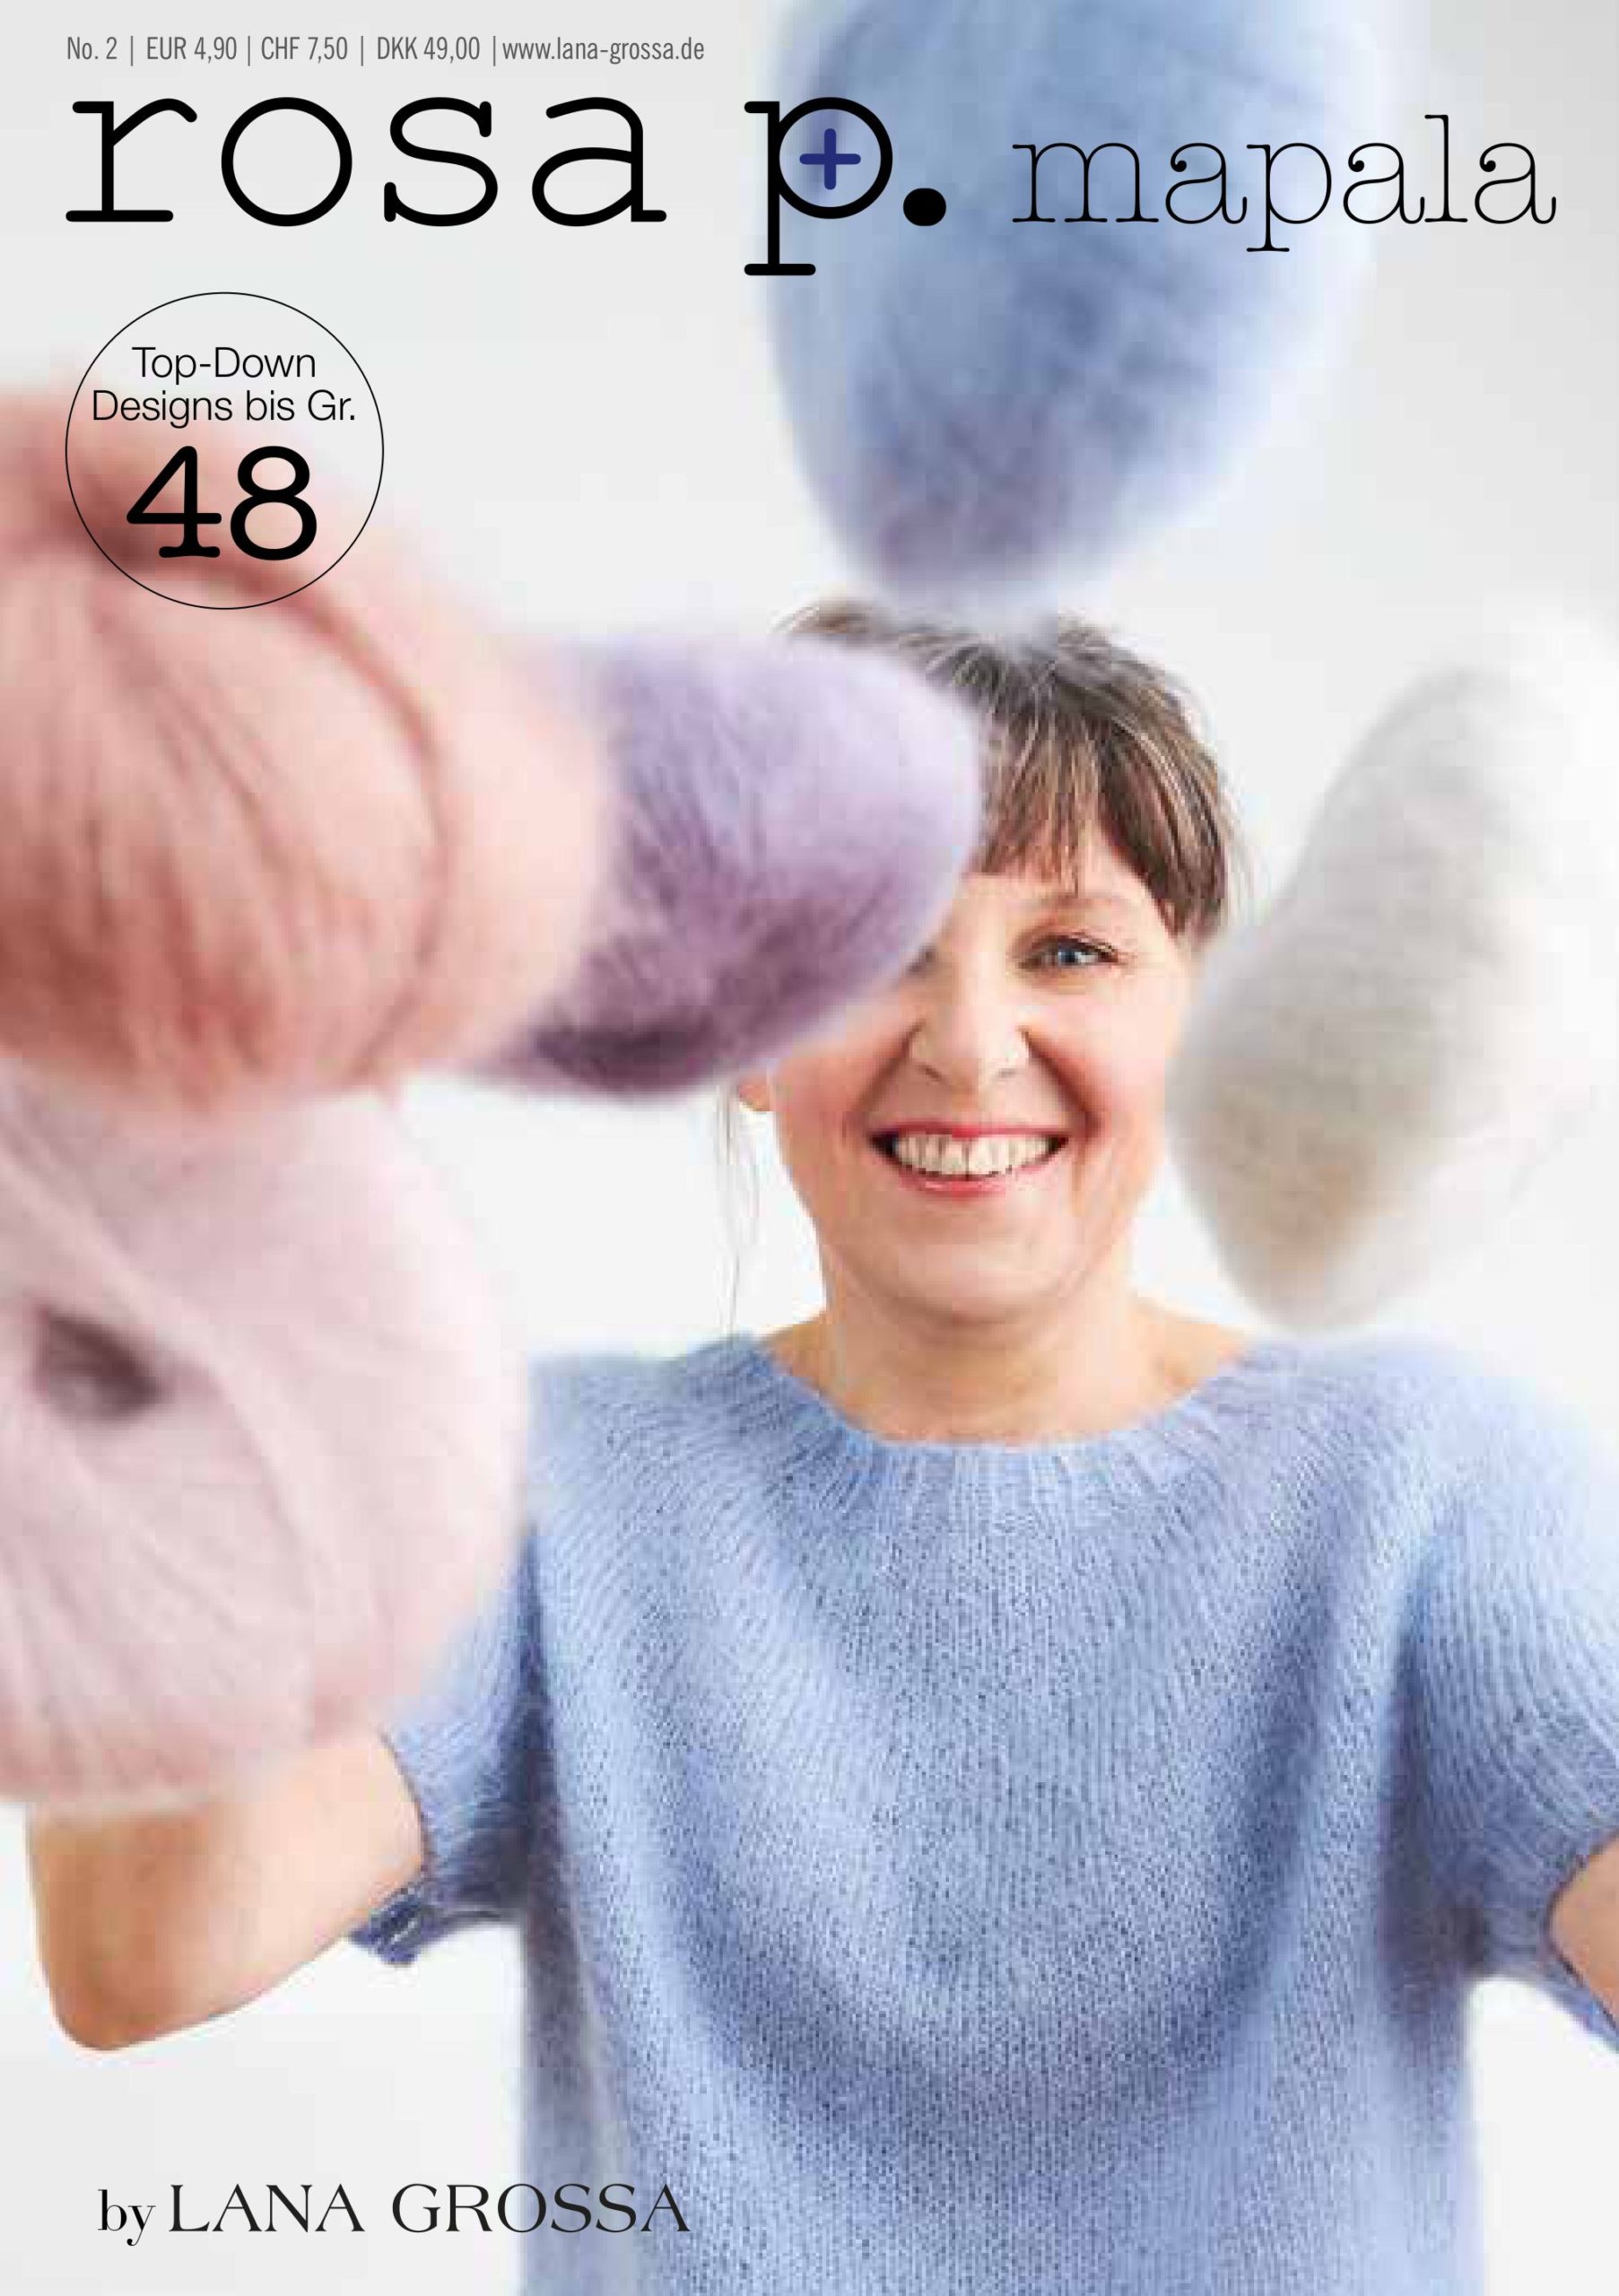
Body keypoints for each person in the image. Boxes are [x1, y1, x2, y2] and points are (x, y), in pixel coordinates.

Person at [28, 601, 1619, 2295]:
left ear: (1204, 1014)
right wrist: (192, 1248)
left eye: (1069, 952)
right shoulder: (550, 1497)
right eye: (876, 951)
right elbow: (143, 1947)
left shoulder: (1428, 1498)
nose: (970, 1043)